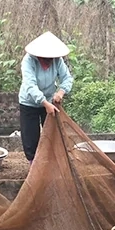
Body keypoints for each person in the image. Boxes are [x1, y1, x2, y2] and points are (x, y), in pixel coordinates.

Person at [18, 31, 74, 162]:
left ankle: (51, 162)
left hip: (50, 100)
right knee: (31, 135)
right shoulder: (28, 61)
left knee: (53, 134)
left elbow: (67, 78)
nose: (48, 61)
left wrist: (60, 92)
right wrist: (44, 102)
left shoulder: (57, 61)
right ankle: (33, 163)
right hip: (29, 102)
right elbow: (30, 84)